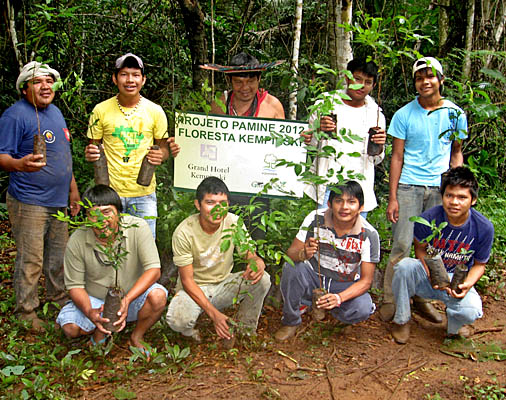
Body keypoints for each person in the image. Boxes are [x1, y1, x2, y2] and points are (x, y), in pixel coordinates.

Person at [379, 57, 467, 323]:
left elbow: (456, 152)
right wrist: (393, 197)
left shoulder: (454, 113)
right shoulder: (404, 114)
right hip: (408, 186)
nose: (425, 82)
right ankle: (390, 299)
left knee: (430, 247)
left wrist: (455, 187)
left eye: (430, 76)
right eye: (419, 78)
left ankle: (421, 298)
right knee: (402, 245)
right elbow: (396, 156)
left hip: (439, 188)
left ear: (440, 80)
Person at [0, 61, 80, 331]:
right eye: (37, 82)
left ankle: (58, 299)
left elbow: (63, 155)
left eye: (49, 81)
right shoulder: (15, 115)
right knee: (31, 257)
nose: (45, 86)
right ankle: (27, 310)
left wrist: (73, 189)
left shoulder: (56, 113)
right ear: (24, 89)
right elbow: (2, 156)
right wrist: (20, 164)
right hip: (29, 200)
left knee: (59, 256)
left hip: (58, 199)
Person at [56, 185, 167, 352]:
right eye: (94, 214)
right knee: (70, 328)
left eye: (107, 212)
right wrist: (89, 311)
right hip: (96, 300)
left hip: (131, 299)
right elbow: (75, 286)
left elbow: (154, 270)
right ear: (86, 217)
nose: (101, 220)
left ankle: (136, 336)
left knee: (158, 295)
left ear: (119, 213)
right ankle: (101, 330)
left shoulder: (137, 227)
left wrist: (127, 300)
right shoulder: (77, 239)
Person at [390, 167, 493, 344]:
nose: (454, 202)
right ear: (442, 196)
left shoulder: (483, 227)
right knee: (404, 266)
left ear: (473, 200)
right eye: (449, 195)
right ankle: (402, 319)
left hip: (457, 280)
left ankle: (454, 326)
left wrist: (466, 285)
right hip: (429, 275)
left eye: (462, 197)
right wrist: (431, 272)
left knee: (471, 310)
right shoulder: (428, 218)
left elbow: (479, 265)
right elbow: (420, 249)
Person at [85, 53, 180, 238]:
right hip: (110, 194)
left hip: (144, 193)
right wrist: (90, 153)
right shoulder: (100, 110)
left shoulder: (155, 111)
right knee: (110, 245)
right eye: (124, 74)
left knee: (145, 247)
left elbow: (163, 149)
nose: (130, 80)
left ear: (143, 80)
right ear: (115, 78)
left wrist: (161, 155)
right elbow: (93, 148)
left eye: (136, 75)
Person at [166, 176, 271, 342]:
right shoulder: (184, 232)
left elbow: (248, 253)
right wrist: (215, 315)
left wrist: (256, 262)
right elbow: (187, 281)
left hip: (224, 284)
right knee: (178, 321)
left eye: (222, 203)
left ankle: (245, 330)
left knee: (263, 279)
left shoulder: (233, 222)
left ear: (228, 204)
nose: (217, 209)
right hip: (195, 288)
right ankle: (189, 334)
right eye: (210, 203)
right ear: (197, 204)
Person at [274, 181, 380, 341]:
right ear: (329, 204)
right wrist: (303, 254)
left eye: (351, 202)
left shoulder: (369, 234)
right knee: (291, 267)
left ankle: (335, 312)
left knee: (362, 308)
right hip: (314, 276)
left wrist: (339, 298)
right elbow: (291, 253)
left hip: (345, 282)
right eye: (339, 201)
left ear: (361, 207)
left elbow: (366, 281)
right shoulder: (315, 218)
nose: (344, 207)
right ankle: (291, 320)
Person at [302, 59, 387, 216]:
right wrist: (317, 130)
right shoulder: (327, 104)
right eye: (358, 79)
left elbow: (376, 158)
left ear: (373, 85)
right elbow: (309, 145)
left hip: (359, 188)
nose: (361, 85)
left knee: (354, 238)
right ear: (347, 78)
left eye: (367, 82)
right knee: (325, 235)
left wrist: (380, 145)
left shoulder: (375, 114)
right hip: (329, 185)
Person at [209, 52, 285, 119]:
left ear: (259, 79)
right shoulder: (218, 105)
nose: (245, 87)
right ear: (229, 80)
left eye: (251, 81)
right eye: (238, 82)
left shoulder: (273, 106)